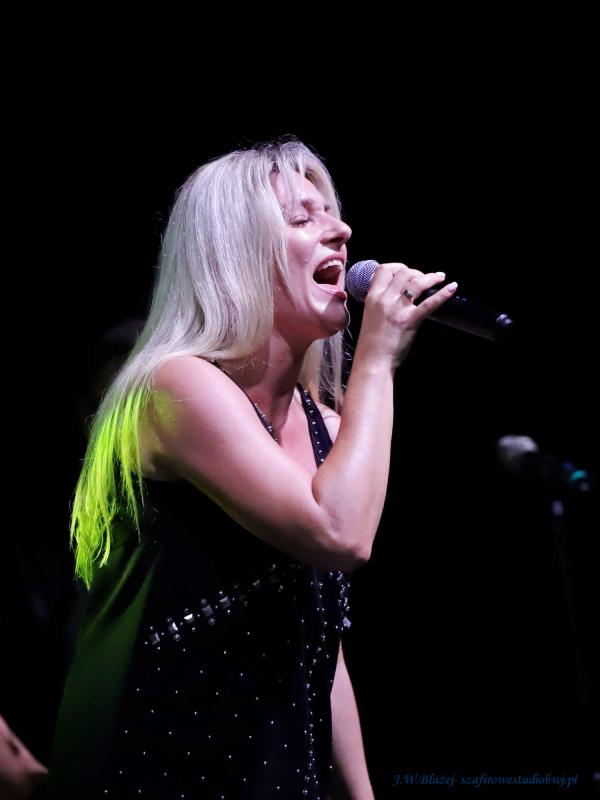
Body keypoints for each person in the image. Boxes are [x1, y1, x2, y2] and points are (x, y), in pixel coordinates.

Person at [48, 137, 457, 799]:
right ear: (233, 253)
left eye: (333, 214)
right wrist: (377, 361)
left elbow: (318, 639)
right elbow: (341, 534)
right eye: (302, 218)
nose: (342, 231)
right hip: (155, 766)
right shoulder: (176, 388)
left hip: (273, 772)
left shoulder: (328, 429)